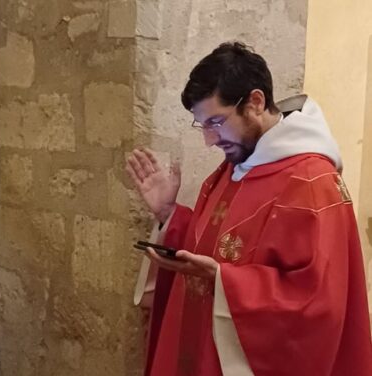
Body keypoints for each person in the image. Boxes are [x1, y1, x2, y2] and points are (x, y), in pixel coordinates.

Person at [126, 42, 372, 376]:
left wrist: (226, 281)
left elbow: (318, 306)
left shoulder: (314, 182)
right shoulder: (235, 166)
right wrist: (170, 215)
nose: (210, 141)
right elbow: (211, 248)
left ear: (255, 102)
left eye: (215, 122)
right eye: (203, 126)